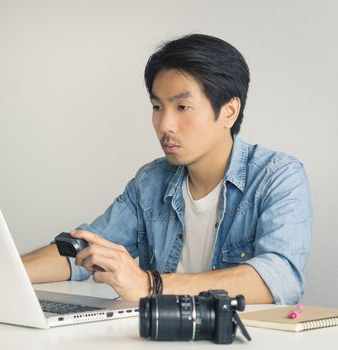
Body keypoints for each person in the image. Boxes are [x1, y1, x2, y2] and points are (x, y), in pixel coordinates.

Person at [22, 34, 312, 305]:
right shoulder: (151, 181)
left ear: (229, 111)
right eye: (157, 107)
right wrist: (0, 271)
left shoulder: (278, 176)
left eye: (182, 107)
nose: (164, 125)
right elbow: (82, 250)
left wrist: (151, 285)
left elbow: (281, 277)